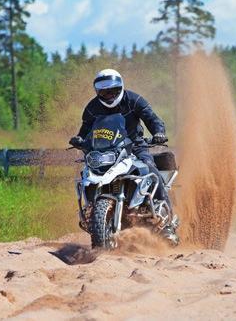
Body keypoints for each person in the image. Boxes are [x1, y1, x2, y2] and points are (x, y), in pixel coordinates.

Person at [68, 69, 177, 242]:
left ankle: (169, 224)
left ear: (121, 87)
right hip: (106, 152)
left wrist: (159, 133)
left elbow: (152, 119)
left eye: (113, 90)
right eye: (104, 91)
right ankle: (90, 212)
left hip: (135, 146)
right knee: (86, 175)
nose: (109, 94)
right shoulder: (92, 107)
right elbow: (85, 129)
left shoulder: (134, 100)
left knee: (150, 170)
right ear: (97, 91)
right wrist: (79, 139)